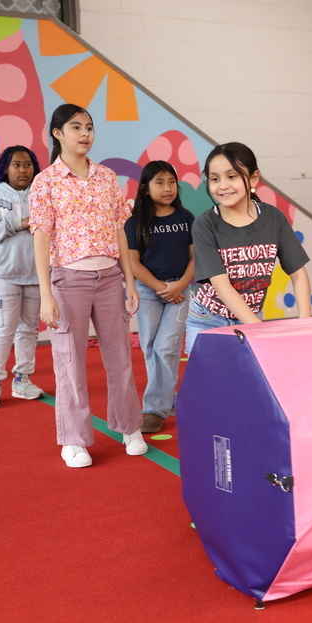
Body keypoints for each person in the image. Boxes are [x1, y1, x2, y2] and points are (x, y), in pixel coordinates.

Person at [28, 103, 146, 468]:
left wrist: (130, 282)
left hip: (110, 277)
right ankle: (74, 440)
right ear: (57, 134)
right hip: (68, 280)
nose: (85, 133)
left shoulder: (108, 177)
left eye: (89, 127)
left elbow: (119, 232)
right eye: (76, 127)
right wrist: (46, 293)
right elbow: (41, 237)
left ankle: (130, 426)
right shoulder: (46, 181)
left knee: (121, 358)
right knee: (69, 363)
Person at [184, 142, 311, 355]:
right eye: (215, 179)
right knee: (208, 386)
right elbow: (222, 287)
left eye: (232, 176)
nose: (222, 185)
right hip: (208, 319)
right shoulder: (204, 224)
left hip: (251, 319)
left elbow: (298, 273)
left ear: (253, 178)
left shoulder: (274, 218)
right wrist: (260, 330)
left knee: (246, 386)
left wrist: (306, 324)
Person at [125, 160, 195, 433]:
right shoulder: (134, 223)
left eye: (171, 182)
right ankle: (170, 399)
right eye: (159, 182)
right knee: (150, 346)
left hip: (181, 290)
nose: (167, 188)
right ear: (145, 189)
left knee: (166, 347)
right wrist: (159, 287)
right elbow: (133, 263)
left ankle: (154, 408)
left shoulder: (187, 218)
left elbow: (195, 258)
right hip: (148, 291)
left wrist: (179, 286)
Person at [0, 145, 46, 407]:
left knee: (29, 330)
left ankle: (22, 380)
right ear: (5, 168)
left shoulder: (42, 193)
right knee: (3, 330)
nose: (23, 170)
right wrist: (19, 223)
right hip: (4, 274)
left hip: (36, 275)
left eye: (28, 164)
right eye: (16, 164)